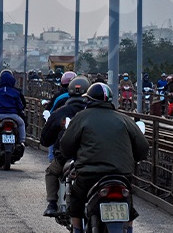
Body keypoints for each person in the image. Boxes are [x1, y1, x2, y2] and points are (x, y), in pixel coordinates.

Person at [61, 83, 149, 233]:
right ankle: (129, 229)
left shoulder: (81, 117)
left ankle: (76, 229)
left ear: (88, 100)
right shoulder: (124, 119)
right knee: (127, 200)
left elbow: (66, 146)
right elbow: (143, 148)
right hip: (122, 174)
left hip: (90, 175)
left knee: (76, 198)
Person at [39, 76, 90, 217]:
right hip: (93, 156)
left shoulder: (61, 112)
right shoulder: (94, 112)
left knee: (51, 172)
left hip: (66, 156)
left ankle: (51, 204)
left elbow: (45, 139)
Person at [0, 70, 26, 149]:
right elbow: (20, 105)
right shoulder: (16, 92)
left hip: (0, 115)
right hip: (13, 115)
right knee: (22, 124)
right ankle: (22, 141)